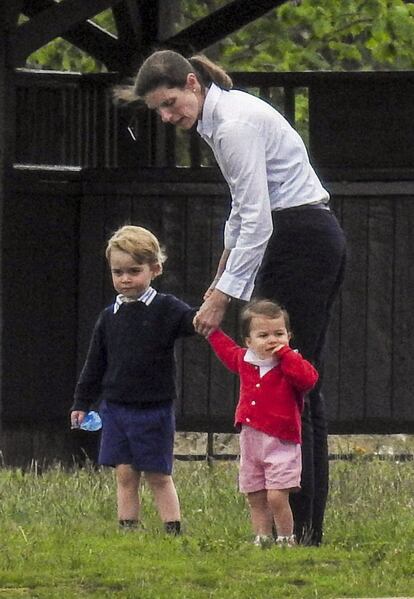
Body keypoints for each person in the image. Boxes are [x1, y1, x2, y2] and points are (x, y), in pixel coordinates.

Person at [115, 50, 347, 545]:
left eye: (171, 103)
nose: (167, 116)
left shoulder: (234, 123)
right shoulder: (220, 120)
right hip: (293, 237)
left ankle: (302, 530)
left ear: (193, 84)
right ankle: (299, 528)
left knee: (292, 377)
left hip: (301, 238)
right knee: (289, 378)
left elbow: (261, 220)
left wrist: (223, 299)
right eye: (158, 110)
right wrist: (222, 267)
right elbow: (244, 208)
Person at [70, 225, 196, 534]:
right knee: (124, 472)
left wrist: (213, 304)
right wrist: (81, 403)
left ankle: (172, 528)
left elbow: (196, 322)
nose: (125, 279)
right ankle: (128, 528)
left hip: (154, 408)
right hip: (116, 408)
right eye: (118, 272)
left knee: (157, 473)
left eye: (134, 271)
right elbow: (94, 364)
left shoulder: (168, 309)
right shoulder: (108, 316)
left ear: (155, 269)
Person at [207, 299, 319, 547]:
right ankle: (262, 538)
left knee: (277, 496)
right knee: (255, 495)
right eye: (263, 335)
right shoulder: (244, 360)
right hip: (251, 439)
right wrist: (211, 331)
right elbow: (225, 349)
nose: (272, 340)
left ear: (289, 335)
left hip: (281, 440)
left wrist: (287, 354)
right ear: (248, 341)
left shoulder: (291, 363)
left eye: (279, 333)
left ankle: (287, 538)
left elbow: (308, 380)